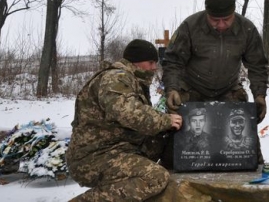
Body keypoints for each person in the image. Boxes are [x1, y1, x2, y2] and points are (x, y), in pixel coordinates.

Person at [66, 39, 185, 202]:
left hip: (118, 148)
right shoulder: (116, 78)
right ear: (136, 61)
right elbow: (127, 112)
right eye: (150, 62)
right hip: (94, 156)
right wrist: (165, 120)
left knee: (163, 137)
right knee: (155, 177)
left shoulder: (133, 80)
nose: (154, 67)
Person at [161, 0, 269, 168]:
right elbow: (173, 61)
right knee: (176, 146)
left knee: (246, 150)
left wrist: (260, 95)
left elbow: (258, 66)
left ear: (234, 13)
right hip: (193, 89)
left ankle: (252, 178)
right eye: (215, 20)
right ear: (207, 14)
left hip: (227, 89)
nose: (220, 25)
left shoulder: (247, 29)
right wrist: (172, 89)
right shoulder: (190, 26)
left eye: (226, 19)